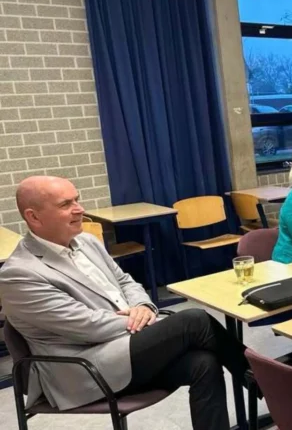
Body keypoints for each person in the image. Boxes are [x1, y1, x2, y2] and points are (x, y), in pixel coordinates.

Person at [0, 176, 249, 430]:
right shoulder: (19, 274)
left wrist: (144, 307)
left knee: (203, 363)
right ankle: (263, 382)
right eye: (66, 204)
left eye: (77, 199)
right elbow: (86, 326)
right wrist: (141, 323)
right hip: (86, 368)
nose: (79, 209)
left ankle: (259, 381)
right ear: (34, 217)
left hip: (127, 346)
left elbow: (126, 281)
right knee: (194, 320)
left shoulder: (87, 242)